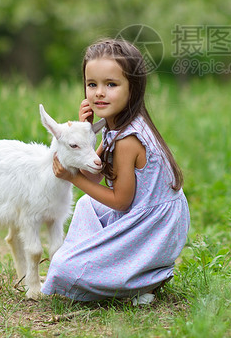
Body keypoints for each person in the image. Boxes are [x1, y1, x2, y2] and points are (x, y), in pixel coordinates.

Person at [41, 38, 190, 302]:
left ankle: (141, 280)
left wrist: (72, 178)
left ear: (132, 89)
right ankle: (127, 275)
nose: (99, 93)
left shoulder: (127, 140)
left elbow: (120, 202)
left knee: (65, 269)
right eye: (92, 84)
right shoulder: (116, 125)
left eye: (111, 84)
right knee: (87, 205)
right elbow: (95, 174)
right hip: (144, 218)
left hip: (151, 230)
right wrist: (86, 130)